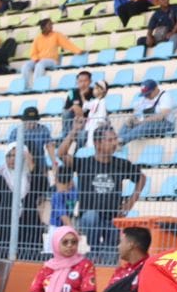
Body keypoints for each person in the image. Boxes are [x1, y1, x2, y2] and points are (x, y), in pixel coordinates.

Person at [58, 123, 144, 254]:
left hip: (113, 218)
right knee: (92, 216)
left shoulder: (121, 164)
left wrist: (130, 203)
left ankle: (104, 256)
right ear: (97, 143)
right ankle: (95, 250)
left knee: (110, 254)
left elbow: (141, 178)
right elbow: (61, 154)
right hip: (88, 219)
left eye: (115, 139)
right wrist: (74, 130)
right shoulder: (84, 163)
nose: (115, 143)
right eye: (110, 140)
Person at [0, 146, 43, 255]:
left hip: (29, 227)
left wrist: (32, 166)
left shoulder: (30, 176)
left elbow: (42, 188)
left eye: (15, 156)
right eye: (9, 156)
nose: (11, 159)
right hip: (5, 228)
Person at [7, 105, 56, 195]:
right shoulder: (16, 132)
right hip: (22, 165)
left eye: (33, 122)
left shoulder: (43, 129)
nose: (31, 124)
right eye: (29, 122)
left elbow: (49, 145)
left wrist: (54, 162)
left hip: (40, 164)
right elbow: (11, 150)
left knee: (42, 186)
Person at [20, 19, 83, 83]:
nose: (52, 26)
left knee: (39, 65)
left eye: (51, 24)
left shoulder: (57, 35)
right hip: (39, 60)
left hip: (52, 60)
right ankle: (26, 86)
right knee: (25, 66)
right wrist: (36, 59)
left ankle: (37, 85)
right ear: (43, 27)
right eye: (49, 25)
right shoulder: (37, 38)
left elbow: (67, 44)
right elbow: (33, 53)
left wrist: (78, 51)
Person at [118, 79, 177, 144]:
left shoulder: (165, 96)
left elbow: (162, 116)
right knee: (128, 124)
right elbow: (136, 112)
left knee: (145, 125)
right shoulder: (144, 98)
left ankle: (122, 140)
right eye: (145, 95)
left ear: (156, 89)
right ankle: (116, 143)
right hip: (144, 123)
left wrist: (142, 121)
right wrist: (132, 119)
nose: (146, 96)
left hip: (165, 124)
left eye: (148, 94)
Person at [62, 70, 95, 138]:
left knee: (82, 136)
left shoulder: (95, 92)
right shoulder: (72, 93)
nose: (83, 83)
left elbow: (93, 110)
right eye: (80, 81)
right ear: (77, 82)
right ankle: (66, 136)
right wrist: (74, 107)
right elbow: (66, 110)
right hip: (75, 122)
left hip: (88, 122)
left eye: (85, 81)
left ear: (90, 81)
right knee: (65, 113)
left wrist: (82, 96)